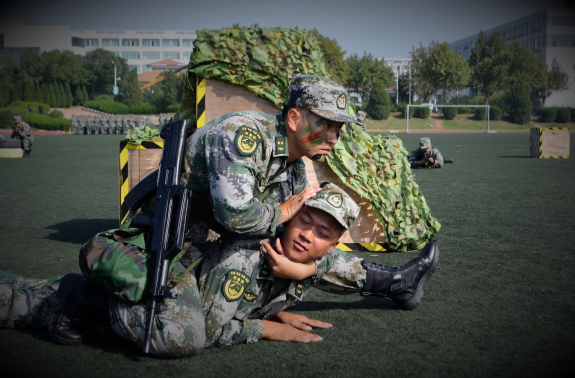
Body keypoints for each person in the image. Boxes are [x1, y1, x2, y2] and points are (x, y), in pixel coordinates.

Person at [0, 182, 440, 358]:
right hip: (140, 295)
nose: (308, 235)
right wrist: (264, 329)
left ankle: (397, 282)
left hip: (169, 293)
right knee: (181, 339)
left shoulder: (307, 258)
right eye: (305, 220)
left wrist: (295, 282)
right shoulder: (247, 257)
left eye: (324, 232)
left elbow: (319, 260)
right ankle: (81, 298)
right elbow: (212, 329)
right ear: (290, 216)